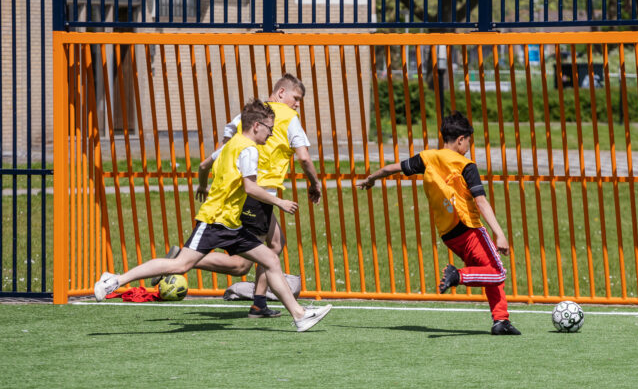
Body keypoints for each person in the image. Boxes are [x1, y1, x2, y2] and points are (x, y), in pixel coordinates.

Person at [94, 99, 332, 332]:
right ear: (256, 126)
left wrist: (203, 185)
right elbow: (251, 188)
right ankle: (115, 280)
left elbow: (205, 166)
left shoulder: (232, 144)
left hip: (230, 223)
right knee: (180, 265)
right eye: (270, 128)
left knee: (270, 259)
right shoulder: (248, 149)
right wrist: (278, 201)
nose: (271, 134)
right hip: (214, 221)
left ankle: (299, 315)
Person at [154, 74, 321, 320]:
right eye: (296, 98)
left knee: (275, 245)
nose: (297, 104)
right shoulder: (288, 118)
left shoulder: (250, 115)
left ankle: (259, 303)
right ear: (281, 92)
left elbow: (225, 141)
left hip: (249, 193)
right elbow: (304, 157)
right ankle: (185, 259)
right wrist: (314, 183)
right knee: (243, 265)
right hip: (257, 193)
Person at [356, 111, 520, 336]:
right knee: (498, 272)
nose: (469, 147)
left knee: (487, 271)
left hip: (449, 235)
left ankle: (501, 320)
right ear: (461, 139)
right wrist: (499, 233)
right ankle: (458, 276)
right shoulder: (466, 165)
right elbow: (480, 200)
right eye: (469, 142)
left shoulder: (428, 158)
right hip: (470, 228)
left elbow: (391, 168)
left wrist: (371, 178)